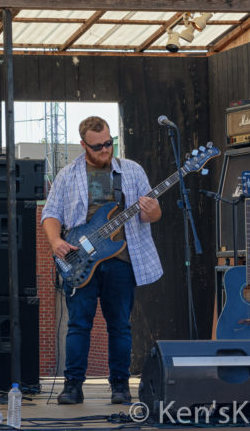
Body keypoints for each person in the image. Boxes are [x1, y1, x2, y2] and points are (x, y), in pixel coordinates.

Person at [41, 116, 162, 405]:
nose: (105, 150)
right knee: (78, 325)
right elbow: (51, 214)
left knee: (120, 325)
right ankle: (72, 386)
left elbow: (150, 217)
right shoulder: (68, 175)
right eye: (98, 146)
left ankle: (120, 386)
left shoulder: (131, 171)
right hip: (80, 258)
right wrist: (56, 241)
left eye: (108, 143)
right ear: (83, 145)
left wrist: (153, 208)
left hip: (121, 258)